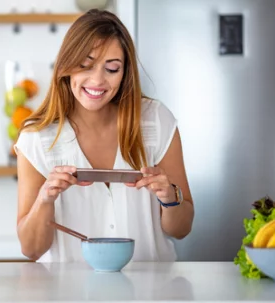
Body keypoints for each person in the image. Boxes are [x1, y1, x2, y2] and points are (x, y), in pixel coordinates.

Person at [14, 9, 194, 262]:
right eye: (85, 66)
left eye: (112, 69)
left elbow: (182, 229)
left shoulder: (156, 120)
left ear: (125, 73)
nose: (97, 80)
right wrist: (45, 199)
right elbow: (31, 249)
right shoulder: (37, 138)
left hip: (151, 291)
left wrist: (169, 198)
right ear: (67, 66)